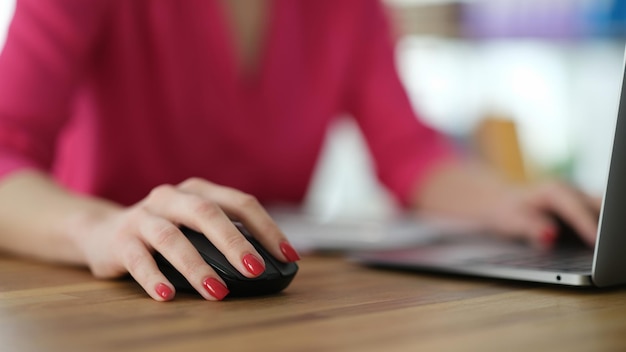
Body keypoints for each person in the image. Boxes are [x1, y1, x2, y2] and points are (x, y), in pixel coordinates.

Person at [0, 0, 600, 302]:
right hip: (105, 300)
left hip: (279, 313)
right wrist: (101, 228)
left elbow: (411, 155)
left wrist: (510, 201)